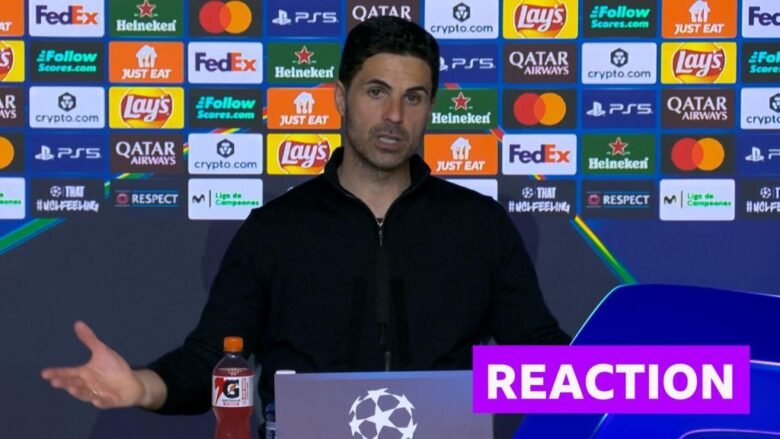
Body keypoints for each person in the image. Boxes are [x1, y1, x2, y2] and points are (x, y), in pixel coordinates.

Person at [42, 16, 570, 417]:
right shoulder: (275, 230)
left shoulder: (479, 225)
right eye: (377, 92)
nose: (394, 116)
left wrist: (618, 378)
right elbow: (212, 362)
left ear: (431, 107)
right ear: (341, 97)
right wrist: (142, 386)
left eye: (414, 98)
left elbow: (542, 361)